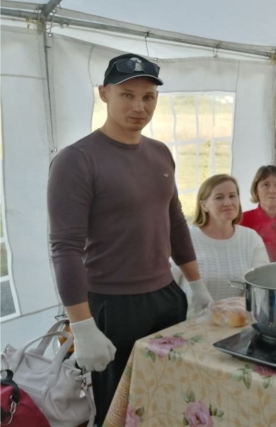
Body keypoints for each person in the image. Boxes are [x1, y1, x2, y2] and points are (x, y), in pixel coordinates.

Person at [47, 53, 213, 426]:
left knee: (170, 400)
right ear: (105, 93)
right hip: (111, 306)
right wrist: (82, 326)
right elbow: (65, 248)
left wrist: (197, 283)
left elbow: (174, 223)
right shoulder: (77, 160)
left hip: (166, 297)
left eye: (148, 97)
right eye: (127, 95)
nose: (139, 107)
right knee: (118, 411)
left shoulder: (160, 153)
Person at [173, 174, 269, 301]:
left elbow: (262, 285)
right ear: (204, 206)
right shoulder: (186, 238)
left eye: (232, 196)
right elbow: (168, 285)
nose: (228, 203)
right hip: (192, 319)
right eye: (219, 197)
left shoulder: (251, 238)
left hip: (239, 318)